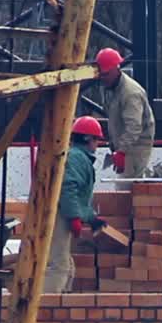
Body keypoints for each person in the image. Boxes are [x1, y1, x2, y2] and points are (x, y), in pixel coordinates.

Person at [45, 116, 105, 293]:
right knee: (60, 266)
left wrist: (91, 218)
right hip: (62, 214)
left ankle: (63, 303)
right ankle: (46, 305)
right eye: (96, 139)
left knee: (68, 266)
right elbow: (68, 189)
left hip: (64, 212)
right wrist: (74, 217)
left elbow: (80, 197)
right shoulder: (77, 158)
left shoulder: (79, 157)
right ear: (87, 139)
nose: (98, 144)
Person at [95, 48, 155, 179]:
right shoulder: (111, 89)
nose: (102, 78)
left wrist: (121, 151)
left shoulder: (130, 94)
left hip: (135, 148)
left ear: (116, 69)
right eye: (101, 74)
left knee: (128, 187)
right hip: (126, 146)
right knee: (125, 188)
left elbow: (134, 127)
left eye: (105, 74)